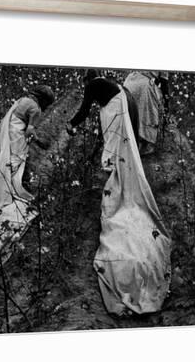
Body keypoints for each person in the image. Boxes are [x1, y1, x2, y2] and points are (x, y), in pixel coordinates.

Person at [68, 69, 172, 316]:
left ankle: (115, 177)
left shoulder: (93, 85)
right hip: (123, 106)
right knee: (117, 146)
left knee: (114, 149)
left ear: (87, 79)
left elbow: (84, 109)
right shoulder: (110, 85)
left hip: (118, 108)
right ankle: (116, 169)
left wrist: (71, 125)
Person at [0, 85, 55, 276]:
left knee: (6, 164)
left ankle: (6, 186)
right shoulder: (36, 109)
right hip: (16, 136)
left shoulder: (23, 101)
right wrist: (40, 142)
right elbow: (29, 131)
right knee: (14, 165)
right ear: (45, 101)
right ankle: (9, 193)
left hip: (8, 133)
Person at [123, 71, 166, 155]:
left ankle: (133, 142)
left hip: (129, 82)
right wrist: (165, 104)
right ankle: (146, 145)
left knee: (131, 112)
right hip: (144, 86)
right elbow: (164, 83)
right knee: (147, 115)